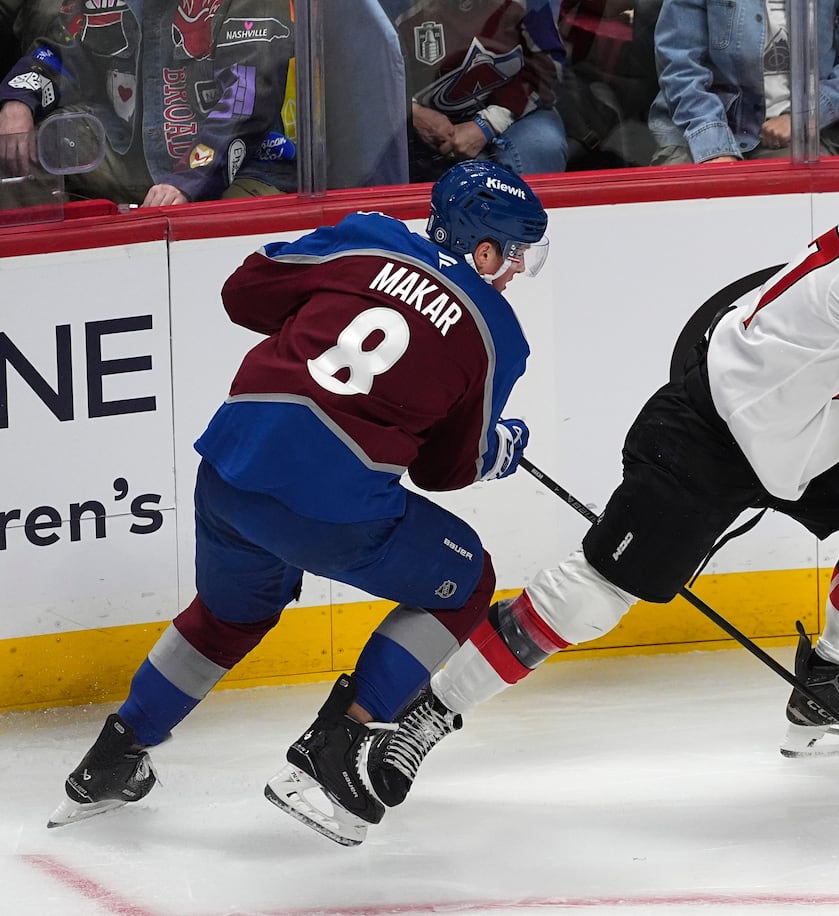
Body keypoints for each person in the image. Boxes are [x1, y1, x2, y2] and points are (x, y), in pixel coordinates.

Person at [274, 120, 839, 845]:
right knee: (593, 596)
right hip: (715, 434)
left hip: (809, 435)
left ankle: (826, 688)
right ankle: (426, 718)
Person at [46, 160, 552, 849]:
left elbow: (244, 293)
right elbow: (443, 470)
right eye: (517, 254)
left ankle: (111, 760)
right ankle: (339, 745)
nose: (518, 271)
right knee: (466, 580)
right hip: (330, 508)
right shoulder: (498, 334)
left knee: (228, 617)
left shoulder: (367, 236)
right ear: (484, 249)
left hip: (229, 470)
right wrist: (494, 452)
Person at [0, 0, 299, 206]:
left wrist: (187, 182)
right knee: (17, 156)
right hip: (129, 159)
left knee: (218, 236)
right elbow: (61, 52)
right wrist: (19, 100)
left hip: (242, 171)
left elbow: (244, 101)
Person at [647, 0, 839, 164]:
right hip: (697, 128)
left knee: (805, 224)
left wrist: (805, 115)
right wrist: (713, 144)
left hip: (794, 139)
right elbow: (679, 63)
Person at [392, 0, 570, 182]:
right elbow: (371, 75)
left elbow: (547, 64)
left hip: (515, 112)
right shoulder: (393, 7)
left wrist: (487, 125)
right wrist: (413, 112)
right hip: (423, 122)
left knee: (543, 145)